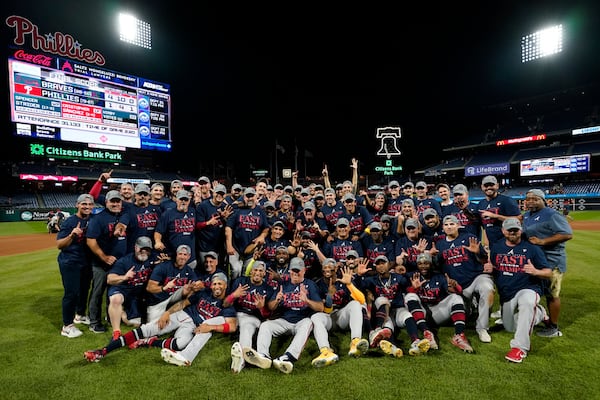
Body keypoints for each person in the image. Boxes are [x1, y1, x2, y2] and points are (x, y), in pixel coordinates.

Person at [84, 272, 236, 366]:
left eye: (220, 284)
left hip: (193, 327)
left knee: (181, 344)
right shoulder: (204, 294)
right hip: (182, 316)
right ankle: (103, 351)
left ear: (225, 285)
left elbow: (232, 326)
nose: (216, 286)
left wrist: (211, 328)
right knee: (146, 329)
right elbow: (183, 303)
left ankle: (149, 342)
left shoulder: (227, 305)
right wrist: (167, 313)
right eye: (214, 283)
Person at [484, 218, 552, 363]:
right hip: (507, 294)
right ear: (503, 231)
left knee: (527, 303)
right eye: (509, 230)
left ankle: (519, 348)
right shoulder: (497, 247)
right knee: (511, 326)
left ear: (520, 230)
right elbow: (497, 269)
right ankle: (539, 313)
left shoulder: (533, 249)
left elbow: (549, 272)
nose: (513, 232)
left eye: (516, 229)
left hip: (528, 288)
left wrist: (535, 272)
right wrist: (492, 269)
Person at [242, 257, 323, 374]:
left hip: (302, 320)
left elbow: (320, 307)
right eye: (293, 270)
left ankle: (288, 357)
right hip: (284, 320)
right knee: (266, 326)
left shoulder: (310, 285)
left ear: (304, 270)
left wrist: (307, 301)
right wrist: (277, 300)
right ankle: (263, 355)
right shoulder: (283, 285)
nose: (295, 273)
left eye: (298, 270)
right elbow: (270, 307)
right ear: (289, 271)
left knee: (308, 323)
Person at [355, 255, 430, 357]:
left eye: (383, 263)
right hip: (383, 312)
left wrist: (414, 288)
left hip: (398, 309)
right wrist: (359, 275)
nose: (381, 266)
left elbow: (408, 290)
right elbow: (358, 288)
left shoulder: (399, 278)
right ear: (375, 267)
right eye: (378, 264)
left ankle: (415, 342)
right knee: (386, 320)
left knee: (408, 316)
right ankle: (392, 345)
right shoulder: (372, 280)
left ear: (389, 265)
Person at [435, 215, 494, 344]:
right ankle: (472, 305)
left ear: (458, 225)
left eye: (452, 224)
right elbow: (438, 268)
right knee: (464, 314)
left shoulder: (468, 238)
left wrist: (478, 252)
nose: (449, 227)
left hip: (475, 278)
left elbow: (484, 260)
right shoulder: (439, 244)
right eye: (446, 225)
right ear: (443, 227)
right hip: (457, 285)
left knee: (487, 288)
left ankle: (482, 328)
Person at [522, 189, 573, 338]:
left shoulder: (552, 214)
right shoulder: (527, 216)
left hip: (552, 260)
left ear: (543, 200)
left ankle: (554, 327)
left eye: (534, 199)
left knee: (552, 295)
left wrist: (543, 241)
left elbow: (567, 234)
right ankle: (541, 316)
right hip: (536, 261)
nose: (530, 201)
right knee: (535, 292)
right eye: (528, 199)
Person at [404, 252, 474, 353]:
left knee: (455, 298)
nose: (423, 266)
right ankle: (427, 333)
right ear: (417, 265)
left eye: (426, 263)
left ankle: (459, 335)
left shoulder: (439, 277)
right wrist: (414, 288)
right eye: (420, 263)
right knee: (410, 296)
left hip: (436, 312)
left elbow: (458, 291)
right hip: (420, 313)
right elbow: (404, 295)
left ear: (431, 264)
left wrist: (455, 286)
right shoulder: (411, 276)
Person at [86, 190, 130, 333]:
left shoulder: (124, 215)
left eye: (118, 201)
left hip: (119, 265)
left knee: (113, 293)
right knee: (98, 293)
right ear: (106, 202)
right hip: (101, 264)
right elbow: (90, 241)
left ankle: (110, 318)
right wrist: (104, 257)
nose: (116, 204)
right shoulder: (98, 218)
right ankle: (94, 322)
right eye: (113, 201)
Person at [310, 258, 369, 366]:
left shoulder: (344, 279)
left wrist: (349, 284)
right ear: (322, 269)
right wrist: (329, 297)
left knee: (356, 304)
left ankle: (355, 342)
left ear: (336, 268)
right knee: (315, 317)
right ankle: (325, 351)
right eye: (325, 266)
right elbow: (325, 310)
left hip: (342, 316)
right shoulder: (317, 284)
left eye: (330, 266)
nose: (327, 268)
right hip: (328, 318)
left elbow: (362, 300)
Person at [226, 260, 275, 373]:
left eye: (260, 271)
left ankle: (242, 359)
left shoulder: (268, 289)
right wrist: (234, 295)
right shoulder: (240, 281)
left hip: (253, 318)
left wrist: (261, 308)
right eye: (255, 270)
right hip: (236, 315)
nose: (257, 273)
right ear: (251, 271)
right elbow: (225, 303)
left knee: (246, 327)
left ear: (264, 274)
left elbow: (267, 316)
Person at [57, 193, 95, 338]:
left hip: (85, 262)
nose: (87, 206)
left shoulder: (93, 219)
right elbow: (60, 245)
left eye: (90, 204)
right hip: (70, 261)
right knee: (71, 293)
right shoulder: (70, 221)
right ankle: (67, 326)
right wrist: (72, 235)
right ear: (77, 205)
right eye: (84, 204)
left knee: (84, 290)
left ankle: (79, 315)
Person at [106, 236, 156, 339]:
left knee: (135, 323)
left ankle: (122, 313)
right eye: (142, 249)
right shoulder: (125, 261)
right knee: (116, 299)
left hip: (135, 296)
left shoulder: (152, 259)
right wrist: (124, 277)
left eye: (147, 250)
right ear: (136, 248)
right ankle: (116, 332)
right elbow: (110, 279)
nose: (144, 252)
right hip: (121, 290)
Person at [145, 244, 199, 323]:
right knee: (155, 326)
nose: (182, 257)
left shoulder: (188, 270)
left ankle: (180, 313)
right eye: (180, 254)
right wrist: (164, 288)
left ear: (189, 256)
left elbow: (198, 284)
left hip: (174, 296)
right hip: (159, 300)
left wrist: (190, 290)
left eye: (185, 255)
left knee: (192, 289)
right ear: (176, 255)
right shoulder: (163, 267)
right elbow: (149, 288)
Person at [225, 187, 270, 279]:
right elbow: (228, 228)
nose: (250, 198)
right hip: (235, 248)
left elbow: (266, 228)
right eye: (247, 196)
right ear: (244, 197)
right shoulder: (237, 210)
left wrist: (262, 236)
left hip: (252, 249)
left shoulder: (260, 211)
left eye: (252, 196)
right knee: (236, 270)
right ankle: (233, 289)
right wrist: (229, 245)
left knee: (248, 273)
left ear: (256, 196)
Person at [154, 189, 197, 268]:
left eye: (186, 200)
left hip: (190, 257)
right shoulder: (168, 214)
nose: (183, 202)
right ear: (176, 200)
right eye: (181, 199)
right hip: (173, 256)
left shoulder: (194, 212)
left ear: (189, 201)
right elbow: (158, 231)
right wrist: (158, 241)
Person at [476, 175, 522, 248]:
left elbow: (519, 219)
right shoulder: (481, 204)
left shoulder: (507, 200)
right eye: (486, 185)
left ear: (497, 186)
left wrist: (495, 216)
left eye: (491, 185)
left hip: (508, 243)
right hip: (491, 245)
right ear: (482, 187)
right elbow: (483, 227)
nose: (488, 188)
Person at [194, 183, 233, 266]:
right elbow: (196, 226)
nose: (219, 195)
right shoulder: (203, 206)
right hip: (205, 245)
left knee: (218, 268)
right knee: (205, 268)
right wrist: (208, 223)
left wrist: (224, 218)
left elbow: (229, 226)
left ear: (225, 195)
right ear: (213, 193)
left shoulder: (226, 207)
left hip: (219, 246)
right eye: (217, 193)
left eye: (222, 194)